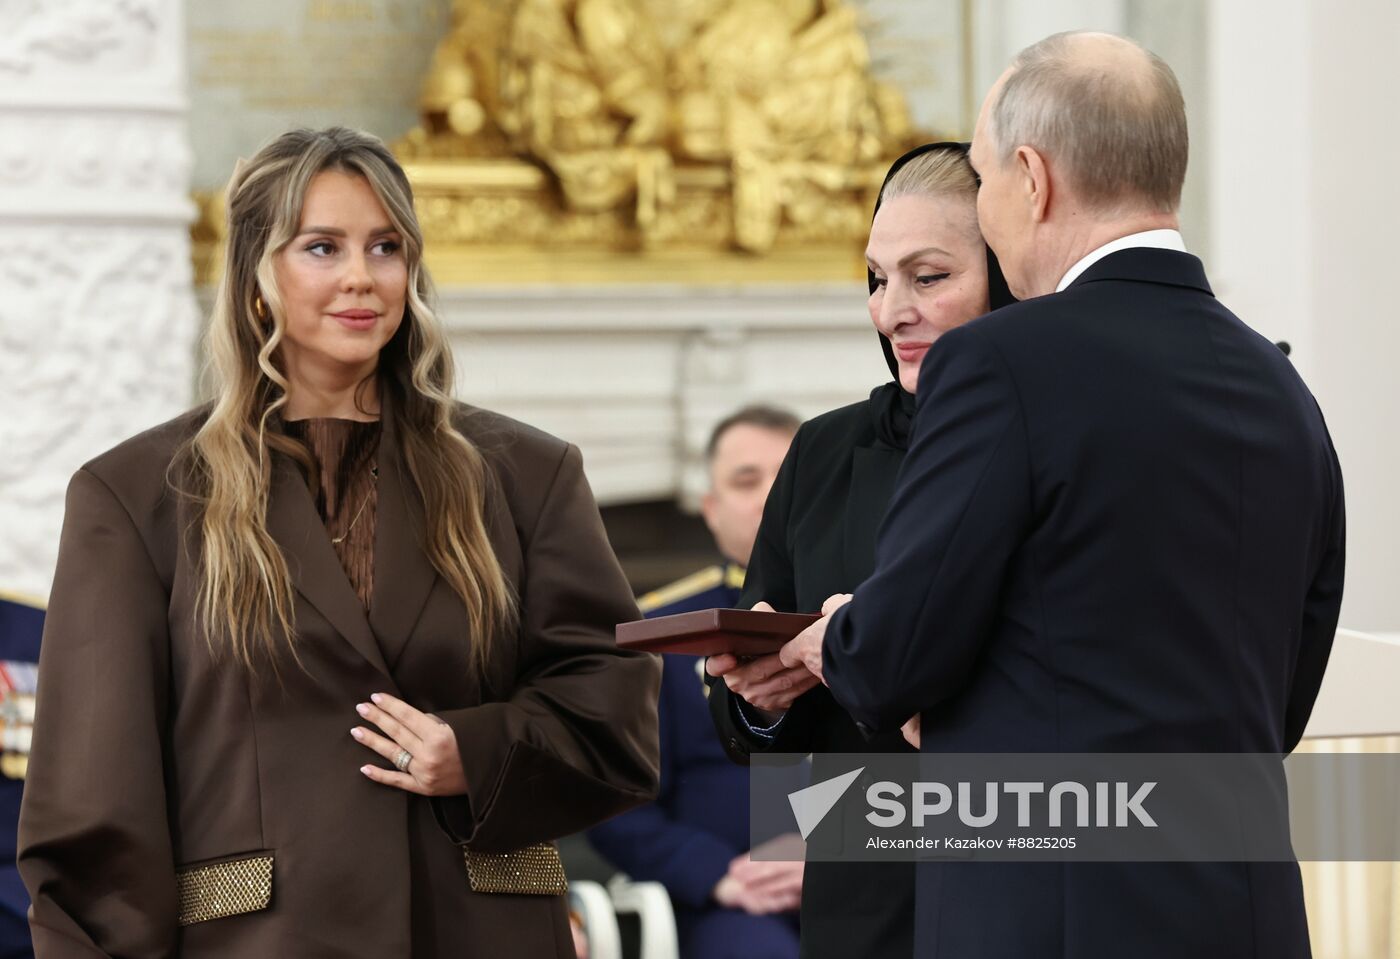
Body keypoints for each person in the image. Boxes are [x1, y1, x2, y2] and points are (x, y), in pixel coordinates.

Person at [17, 127, 661, 958]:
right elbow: (91, 805)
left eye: (386, 246)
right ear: (258, 280)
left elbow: (616, 712)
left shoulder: (527, 475)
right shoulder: (136, 496)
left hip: (481, 935)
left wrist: (478, 752)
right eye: (322, 246)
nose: (362, 275)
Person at [782, 32, 1345, 959]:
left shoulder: (1000, 363)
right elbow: (1274, 706)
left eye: (982, 173)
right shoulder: (1279, 388)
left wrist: (841, 629)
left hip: (1047, 918)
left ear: (1032, 179)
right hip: (1246, 919)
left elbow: (892, 658)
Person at [704, 142, 1015, 959]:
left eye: (929, 276)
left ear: (1007, 273)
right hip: (864, 900)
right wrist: (757, 699)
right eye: (877, 279)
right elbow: (761, 730)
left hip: (1023, 872)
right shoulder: (823, 451)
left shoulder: (1058, 441)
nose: (890, 310)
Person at [589, 405, 802, 959]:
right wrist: (716, 874)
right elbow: (613, 799)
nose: (769, 496)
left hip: (871, 883)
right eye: (746, 479)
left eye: (789, 475)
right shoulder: (658, 634)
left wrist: (833, 857)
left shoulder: (880, 616)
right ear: (710, 509)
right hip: (726, 901)